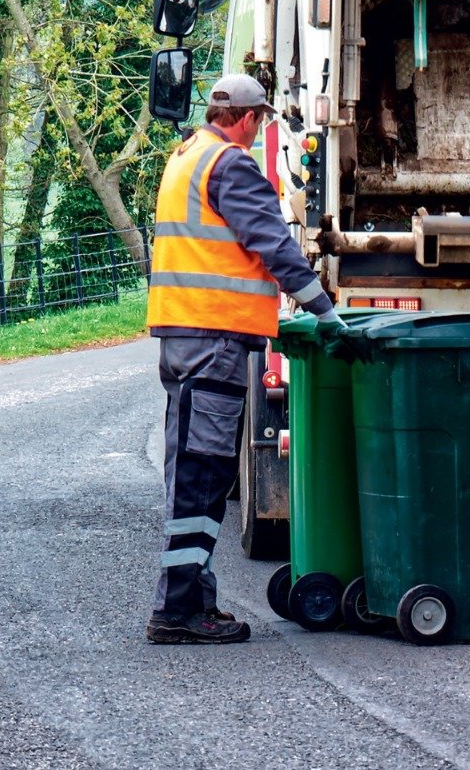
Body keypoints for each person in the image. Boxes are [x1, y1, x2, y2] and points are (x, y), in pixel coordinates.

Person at [144, 72, 346, 643]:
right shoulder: (230, 165)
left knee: (189, 472)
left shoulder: (186, 155)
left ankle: (190, 601)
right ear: (250, 119)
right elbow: (272, 243)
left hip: (185, 337)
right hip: (216, 341)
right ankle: (179, 611)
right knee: (203, 475)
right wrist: (322, 309)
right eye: (261, 122)